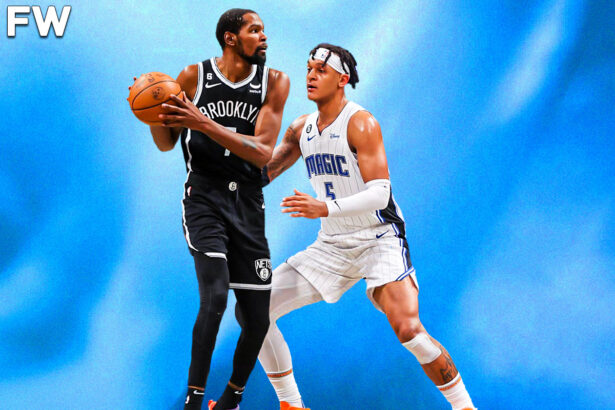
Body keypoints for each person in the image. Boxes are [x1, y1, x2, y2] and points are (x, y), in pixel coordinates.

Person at [257, 44, 475, 410]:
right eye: (309, 68)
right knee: (253, 310)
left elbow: (380, 193)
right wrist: (217, 179)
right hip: (332, 243)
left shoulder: (361, 123)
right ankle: (291, 405)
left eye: (321, 70)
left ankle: (464, 406)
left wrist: (324, 207)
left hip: (378, 238)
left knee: (409, 331)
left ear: (342, 79)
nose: (311, 75)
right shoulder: (301, 129)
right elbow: (263, 174)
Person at [146, 8, 289, 410]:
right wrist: (154, 111)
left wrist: (203, 123)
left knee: (257, 319)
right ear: (230, 37)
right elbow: (166, 142)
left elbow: (262, 152)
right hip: (204, 199)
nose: (264, 37)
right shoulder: (194, 77)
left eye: (263, 30)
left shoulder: (275, 82)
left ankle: (230, 399)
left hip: (247, 203)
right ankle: (193, 401)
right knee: (215, 296)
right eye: (255, 30)